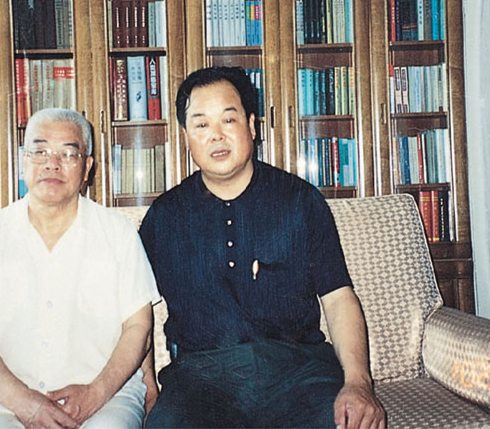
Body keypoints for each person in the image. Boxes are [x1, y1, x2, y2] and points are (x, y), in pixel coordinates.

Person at [139, 67, 386, 429]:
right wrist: (147, 385)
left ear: (252, 126)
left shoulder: (300, 201)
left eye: (229, 119)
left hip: (299, 374)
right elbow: (137, 312)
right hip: (199, 381)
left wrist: (358, 383)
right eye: (201, 124)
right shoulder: (165, 216)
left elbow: (337, 298)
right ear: (186, 136)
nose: (216, 135)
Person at [0, 108, 159, 429]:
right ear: (23, 161)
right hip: (8, 399)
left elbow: (138, 327)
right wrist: (25, 403)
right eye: (40, 151)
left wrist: (95, 394)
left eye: (68, 153)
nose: (52, 163)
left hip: (107, 397)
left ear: (87, 167)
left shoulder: (118, 234)